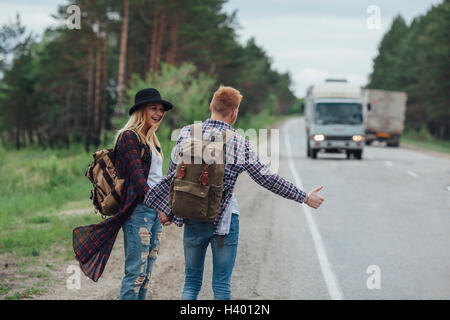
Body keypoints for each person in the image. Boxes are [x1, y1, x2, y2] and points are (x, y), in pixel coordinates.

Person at [144, 85, 324, 300]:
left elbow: (173, 177)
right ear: (234, 113)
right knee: (221, 285)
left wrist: (166, 211)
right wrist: (304, 196)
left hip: (192, 217)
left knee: (191, 282)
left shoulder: (187, 133)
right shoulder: (238, 141)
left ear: (211, 106)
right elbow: (266, 178)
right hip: (224, 223)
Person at [72, 88, 173, 300]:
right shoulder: (129, 138)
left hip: (154, 210)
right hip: (139, 211)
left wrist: (166, 206)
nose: (159, 113)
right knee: (135, 272)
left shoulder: (152, 140)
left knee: (146, 273)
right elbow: (138, 180)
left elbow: (155, 179)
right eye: (153, 108)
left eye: (161, 109)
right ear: (141, 110)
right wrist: (159, 207)